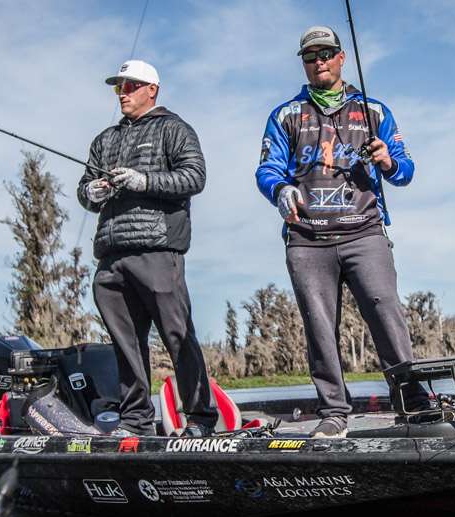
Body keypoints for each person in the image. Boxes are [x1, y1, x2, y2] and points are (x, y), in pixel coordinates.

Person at [255, 26, 431, 438]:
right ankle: (334, 412)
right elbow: (266, 169)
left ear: (341, 57)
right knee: (318, 326)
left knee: (385, 312)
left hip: (365, 233)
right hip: (307, 240)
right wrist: (280, 190)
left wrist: (388, 161)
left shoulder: (374, 111)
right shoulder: (285, 115)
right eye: (310, 56)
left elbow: (405, 172)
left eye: (325, 54)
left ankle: (413, 403)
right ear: (304, 63)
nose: (318, 61)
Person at [77, 59, 217, 437]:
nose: (122, 93)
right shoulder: (104, 140)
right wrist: (92, 192)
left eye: (130, 86)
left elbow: (194, 177)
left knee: (177, 336)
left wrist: (144, 181)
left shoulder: (174, 128)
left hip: (157, 250)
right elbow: (84, 191)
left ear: (151, 89)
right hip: (111, 256)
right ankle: (136, 422)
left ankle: (201, 419)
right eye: (118, 87)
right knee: (125, 345)